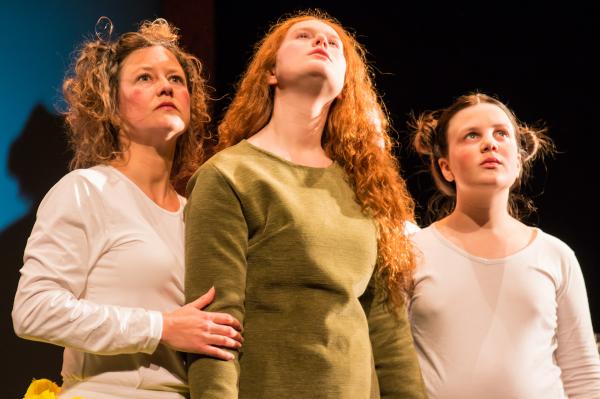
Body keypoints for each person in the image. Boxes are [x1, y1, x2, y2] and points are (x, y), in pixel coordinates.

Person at [184, 10, 426, 399]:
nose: (322, 43)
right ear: (271, 73)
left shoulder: (364, 186)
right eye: (304, 37)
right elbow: (216, 324)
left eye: (333, 43)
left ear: (346, 85)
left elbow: (388, 327)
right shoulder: (230, 175)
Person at [12, 18, 242, 398]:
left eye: (176, 79)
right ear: (111, 106)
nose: (166, 86)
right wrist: (160, 328)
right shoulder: (87, 191)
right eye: (145, 78)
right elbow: (35, 310)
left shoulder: (197, 214)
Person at [408, 92, 600, 398]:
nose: (490, 143)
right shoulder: (413, 252)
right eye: (472, 135)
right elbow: (392, 363)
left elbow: (582, 373)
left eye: (501, 133)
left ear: (519, 161)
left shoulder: (555, 255)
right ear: (446, 167)